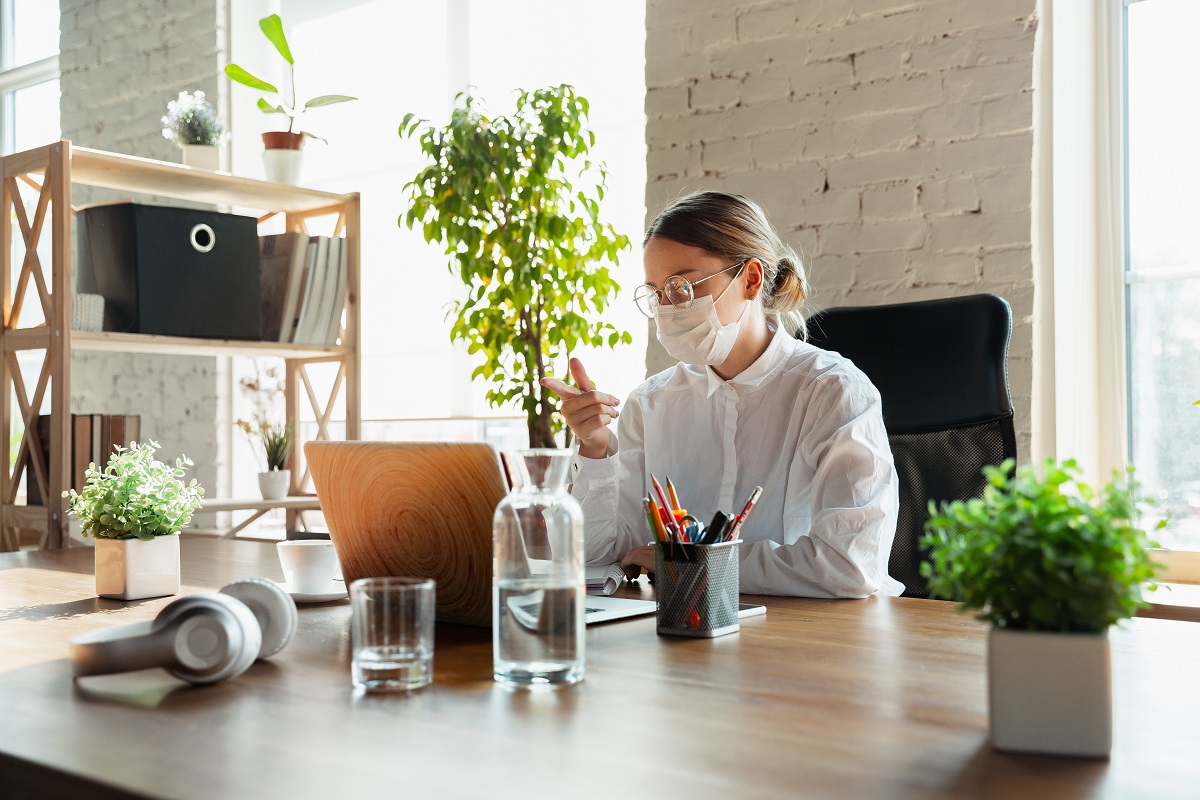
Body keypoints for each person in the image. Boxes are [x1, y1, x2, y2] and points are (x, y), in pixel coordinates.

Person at [542, 191, 902, 598]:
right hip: (684, 636)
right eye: (657, 293)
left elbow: (851, 564)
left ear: (751, 279)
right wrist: (594, 450)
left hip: (810, 638)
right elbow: (593, 559)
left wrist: (693, 563)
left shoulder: (832, 391)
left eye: (681, 286)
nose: (667, 307)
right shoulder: (650, 404)